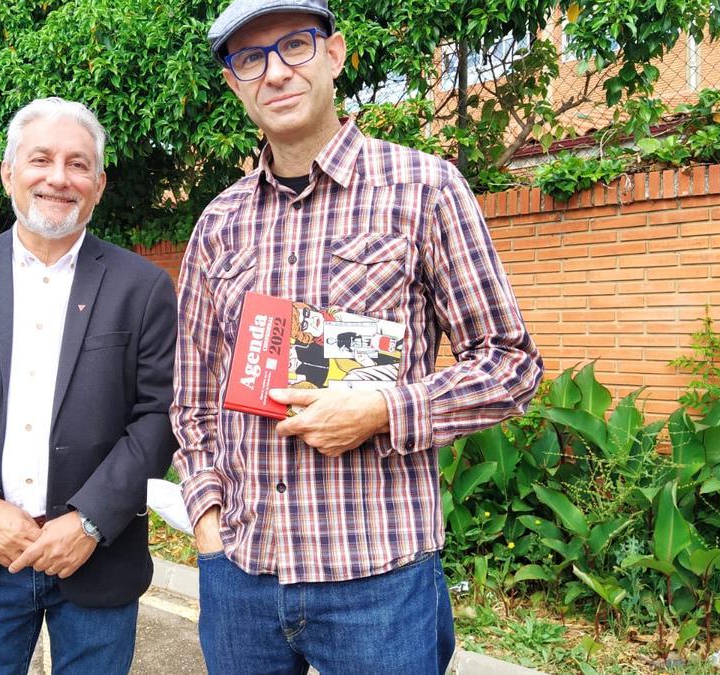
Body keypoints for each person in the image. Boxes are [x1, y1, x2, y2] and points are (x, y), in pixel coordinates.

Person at [170, 1, 544, 672]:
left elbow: (510, 365)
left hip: (380, 579)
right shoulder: (217, 224)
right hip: (242, 578)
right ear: (234, 83)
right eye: (251, 59)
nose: (275, 72)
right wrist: (207, 525)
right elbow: (193, 400)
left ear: (336, 54)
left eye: (295, 46)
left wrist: (381, 409)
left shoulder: (424, 188)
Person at [0, 97, 177, 674]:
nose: (57, 177)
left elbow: (159, 414)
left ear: (98, 184)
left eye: (77, 164)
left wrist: (90, 519)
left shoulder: (141, 287)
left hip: (95, 555)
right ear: (9, 173)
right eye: (40, 159)